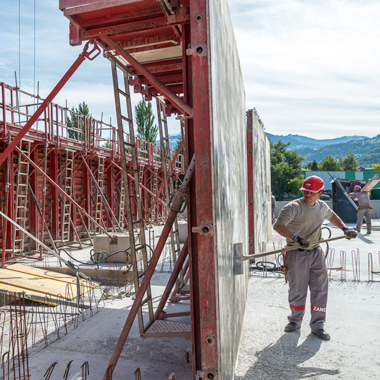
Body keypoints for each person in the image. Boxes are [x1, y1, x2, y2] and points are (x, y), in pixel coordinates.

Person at [273, 175, 357, 341]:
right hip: (296, 252)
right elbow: (278, 226)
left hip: (315, 253)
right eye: (305, 191)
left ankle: (318, 326)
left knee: (320, 288)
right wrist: (295, 237)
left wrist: (345, 229)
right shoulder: (293, 207)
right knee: (298, 289)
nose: (307, 195)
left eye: (311, 192)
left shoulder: (322, 206)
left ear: (320, 192)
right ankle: (295, 321)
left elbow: (332, 217)